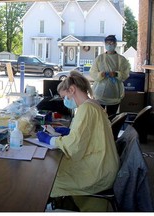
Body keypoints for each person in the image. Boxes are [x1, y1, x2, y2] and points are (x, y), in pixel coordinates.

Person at [37, 71, 119, 211]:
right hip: (104, 164)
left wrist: (50, 140)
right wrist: (70, 132)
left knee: (47, 180)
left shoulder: (86, 109)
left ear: (72, 90)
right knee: (53, 171)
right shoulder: (92, 104)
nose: (64, 101)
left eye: (64, 97)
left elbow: (74, 146)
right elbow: (88, 134)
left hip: (98, 171)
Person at [90, 35, 130, 117]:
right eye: (107, 43)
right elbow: (92, 72)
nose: (109, 45)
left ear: (115, 44)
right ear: (105, 44)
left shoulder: (121, 59)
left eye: (111, 43)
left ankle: (111, 129)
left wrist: (116, 74)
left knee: (111, 118)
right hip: (99, 94)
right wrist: (100, 74)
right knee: (99, 118)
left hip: (114, 94)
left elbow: (126, 74)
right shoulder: (99, 58)